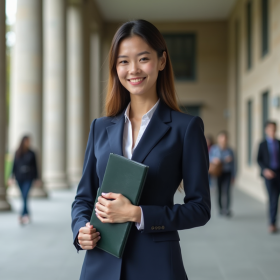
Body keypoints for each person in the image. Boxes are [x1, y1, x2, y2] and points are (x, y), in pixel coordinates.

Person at [71, 19, 211, 280]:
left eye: (143, 58)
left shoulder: (186, 128)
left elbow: (200, 208)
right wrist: (81, 230)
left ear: (161, 61)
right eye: (123, 61)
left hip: (156, 266)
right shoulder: (100, 128)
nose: (133, 69)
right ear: (116, 67)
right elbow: (83, 198)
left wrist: (138, 214)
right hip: (100, 264)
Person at [257, 121, 280, 233]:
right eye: (270, 129)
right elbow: (258, 159)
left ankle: (273, 222)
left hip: (279, 173)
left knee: (276, 198)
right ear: (266, 130)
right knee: (272, 198)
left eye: (274, 129)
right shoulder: (262, 144)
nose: (272, 131)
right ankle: (272, 223)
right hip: (268, 174)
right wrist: (265, 170)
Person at [8, 136, 38, 225]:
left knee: (25, 196)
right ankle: (27, 214)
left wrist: (37, 178)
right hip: (19, 177)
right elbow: (14, 165)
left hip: (29, 177)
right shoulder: (17, 152)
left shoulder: (32, 153)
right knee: (23, 197)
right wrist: (11, 177)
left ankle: (22, 215)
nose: (28, 143)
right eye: (26, 141)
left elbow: (35, 166)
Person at [209, 131, 236, 217]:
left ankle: (227, 209)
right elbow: (208, 157)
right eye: (222, 137)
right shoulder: (214, 148)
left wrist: (234, 175)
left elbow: (234, 164)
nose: (223, 139)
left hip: (227, 173)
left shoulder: (230, 150)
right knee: (219, 191)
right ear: (218, 138)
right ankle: (220, 209)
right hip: (217, 173)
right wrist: (214, 159)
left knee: (227, 191)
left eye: (225, 137)